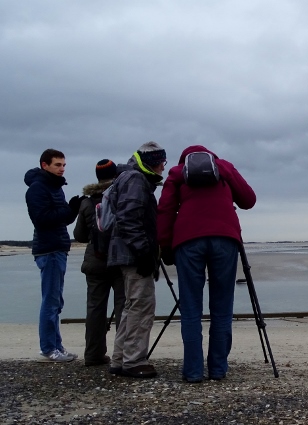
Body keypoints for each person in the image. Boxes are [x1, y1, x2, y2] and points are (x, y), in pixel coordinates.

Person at [157, 145, 256, 382]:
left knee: (190, 307)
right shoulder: (224, 168)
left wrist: (165, 247)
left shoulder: (176, 173)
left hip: (188, 241)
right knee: (222, 306)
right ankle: (218, 369)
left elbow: (165, 211)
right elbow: (248, 200)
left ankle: (193, 371)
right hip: (225, 239)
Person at [107, 142, 167, 379]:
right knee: (141, 307)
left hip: (126, 253)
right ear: (153, 162)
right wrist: (144, 253)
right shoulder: (136, 179)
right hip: (133, 255)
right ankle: (133, 361)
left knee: (132, 307)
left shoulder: (129, 177)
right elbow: (129, 218)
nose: (164, 167)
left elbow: (126, 217)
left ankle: (120, 358)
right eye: (162, 162)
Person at [24, 148, 83, 362]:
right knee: (50, 301)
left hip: (58, 247)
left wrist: (73, 209)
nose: (62, 169)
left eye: (64, 165)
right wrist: (69, 210)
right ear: (45, 165)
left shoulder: (55, 187)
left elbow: (63, 219)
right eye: (58, 165)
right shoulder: (37, 188)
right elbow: (42, 220)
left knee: (56, 301)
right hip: (48, 250)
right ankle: (49, 348)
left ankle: (56, 346)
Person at [72, 159, 125, 367]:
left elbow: (79, 236)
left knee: (95, 309)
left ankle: (93, 354)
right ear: (116, 175)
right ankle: (123, 355)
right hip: (120, 260)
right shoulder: (121, 196)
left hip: (95, 261)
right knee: (123, 308)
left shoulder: (87, 202)